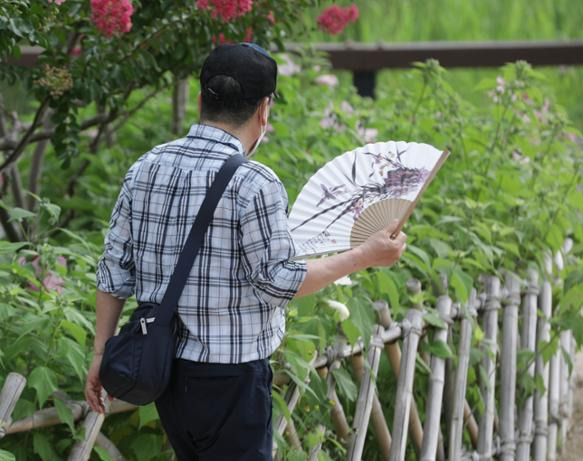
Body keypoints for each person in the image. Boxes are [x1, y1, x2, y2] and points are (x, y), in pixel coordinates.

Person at [84, 42, 407, 460]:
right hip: (231, 378)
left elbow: (114, 271)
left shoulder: (146, 166)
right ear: (263, 110)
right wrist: (365, 254)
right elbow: (279, 284)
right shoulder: (255, 183)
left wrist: (100, 354)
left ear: (201, 100)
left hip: (160, 368)